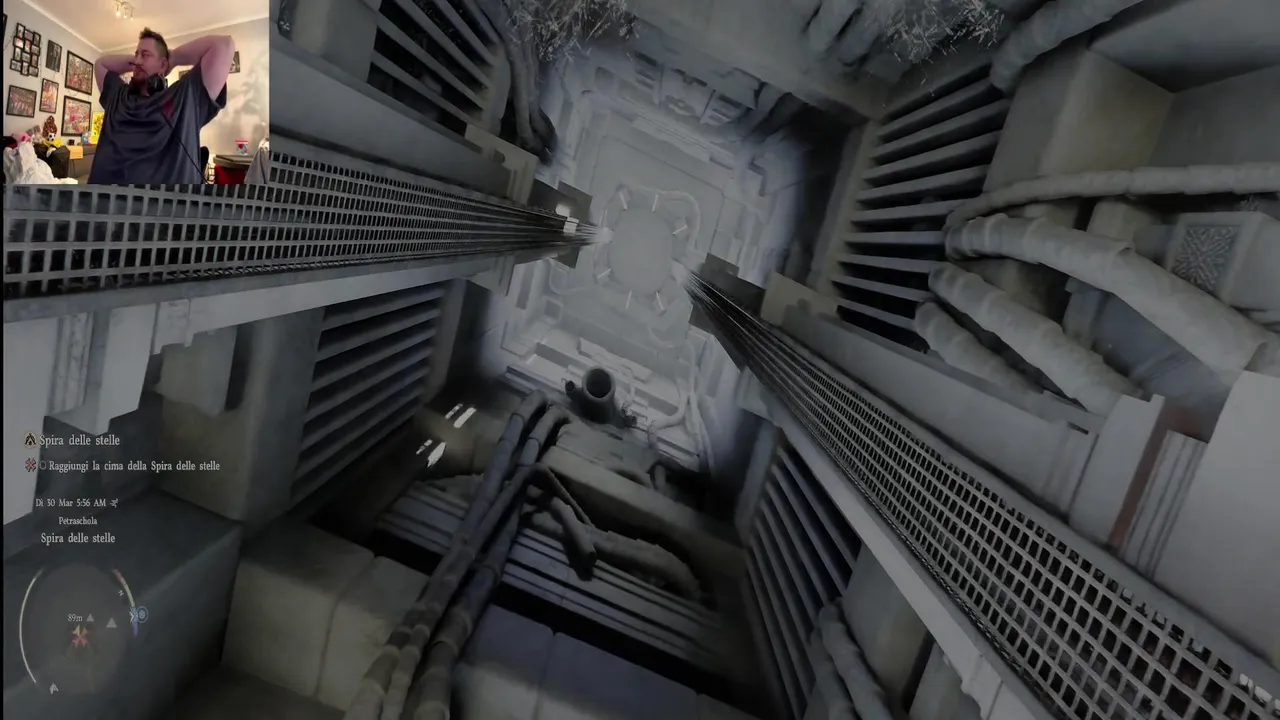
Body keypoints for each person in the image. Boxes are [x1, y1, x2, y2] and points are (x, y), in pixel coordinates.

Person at [88, 28, 235, 185]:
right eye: (136, 54)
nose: (137, 60)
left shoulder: (184, 96)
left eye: (145, 55)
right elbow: (101, 64)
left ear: (163, 64)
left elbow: (224, 45)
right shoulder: (118, 95)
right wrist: (138, 61)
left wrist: (173, 58)